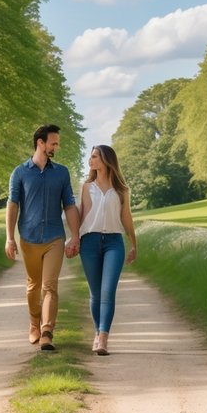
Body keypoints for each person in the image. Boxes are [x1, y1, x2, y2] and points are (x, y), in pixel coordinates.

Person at [6, 124, 81, 351]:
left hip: (54, 238)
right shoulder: (20, 173)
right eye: (53, 143)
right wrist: (10, 238)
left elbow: (69, 205)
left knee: (50, 286)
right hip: (28, 238)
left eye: (57, 143)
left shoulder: (61, 172)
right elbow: (13, 205)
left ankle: (47, 331)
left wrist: (75, 236)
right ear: (40, 143)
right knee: (33, 286)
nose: (56, 147)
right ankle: (33, 324)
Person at [77, 144, 137, 356]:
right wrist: (74, 239)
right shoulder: (86, 187)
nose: (90, 160)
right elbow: (81, 215)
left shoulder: (121, 190)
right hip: (89, 242)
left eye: (94, 157)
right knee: (95, 293)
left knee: (107, 291)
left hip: (114, 242)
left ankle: (103, 339)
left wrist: (133, 243)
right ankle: (96, 333)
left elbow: (126, 217)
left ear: (106, 160)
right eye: (90, 157)